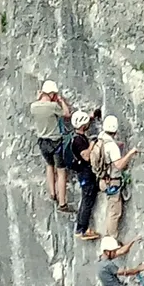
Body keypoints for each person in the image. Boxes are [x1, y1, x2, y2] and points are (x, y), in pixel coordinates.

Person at [90, 116, 142, 238]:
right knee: (114, 212)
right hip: (112, 181)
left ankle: (109, 235)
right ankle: (111, 238)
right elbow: (118, 165)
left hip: (103, 179)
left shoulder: (101, 140)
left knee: (111, 209)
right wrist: (130, 154)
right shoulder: (112, 146)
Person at [30, 81, 74, 211]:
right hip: (55, 141)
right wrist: (61, 101)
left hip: (42, 141)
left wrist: (39, 98)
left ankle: (52, 193)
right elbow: (67, 114)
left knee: (49, 165)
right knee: (61, 171)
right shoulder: (53, 106)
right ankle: (62, 203)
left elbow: (38, 103)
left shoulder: (33, 106)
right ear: (51, 94)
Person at [64, 109, 100, 239]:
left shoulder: (75, 136)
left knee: (85, 200)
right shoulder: (79, 141)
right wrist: (91, 145)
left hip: (81, 172)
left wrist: (91, 116)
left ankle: (80, 227)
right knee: (87, 200)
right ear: (83, 126)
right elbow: (85, 156)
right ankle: (82, 229)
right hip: (85, 173)